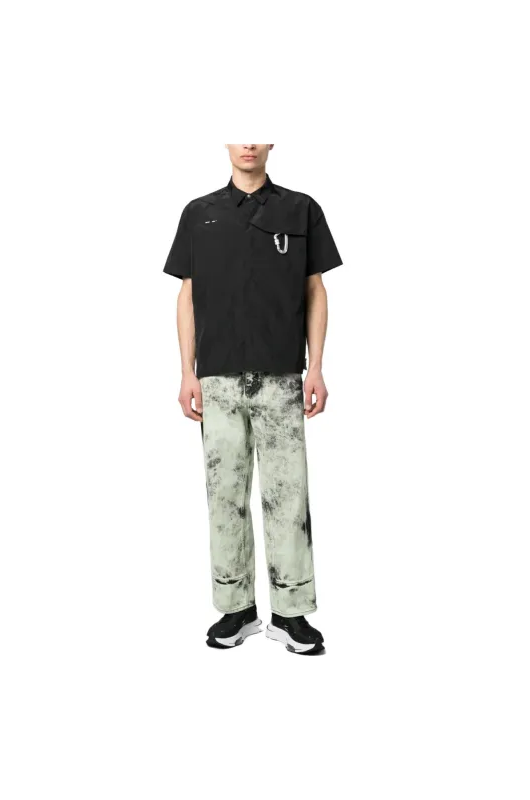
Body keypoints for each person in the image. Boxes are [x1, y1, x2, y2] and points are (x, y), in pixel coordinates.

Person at [163, 144, 342, 655]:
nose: (248, 143)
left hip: (282, 375)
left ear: (271, 142)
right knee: (225, 497)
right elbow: (187, 295)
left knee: (288, 496)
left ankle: (290, 613)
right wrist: (187, 372)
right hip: (216, 378)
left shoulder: (300, 209)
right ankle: (236, 608)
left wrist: (316, 366)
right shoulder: (199, 213)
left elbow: (315, 289)